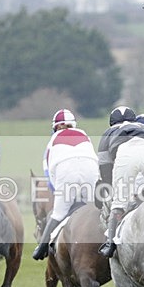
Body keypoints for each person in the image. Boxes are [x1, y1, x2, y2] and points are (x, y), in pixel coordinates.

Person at [97, 106, 144, 258]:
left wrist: (111, 187)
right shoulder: (142, 127)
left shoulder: (108, 133)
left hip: (126, 153)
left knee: (119, 203)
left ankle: (110, 244)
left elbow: (105, 168)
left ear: (111, 122)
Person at [32, 109, 99, 260]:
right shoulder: (84, 135)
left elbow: (49, 176)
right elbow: (93, 161)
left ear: (55, 127)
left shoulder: (52, 141)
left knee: (58, 213)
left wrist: (61, 193)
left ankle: (41, 248)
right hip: (91, 170)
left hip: (66, 173)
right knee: (95, 210)